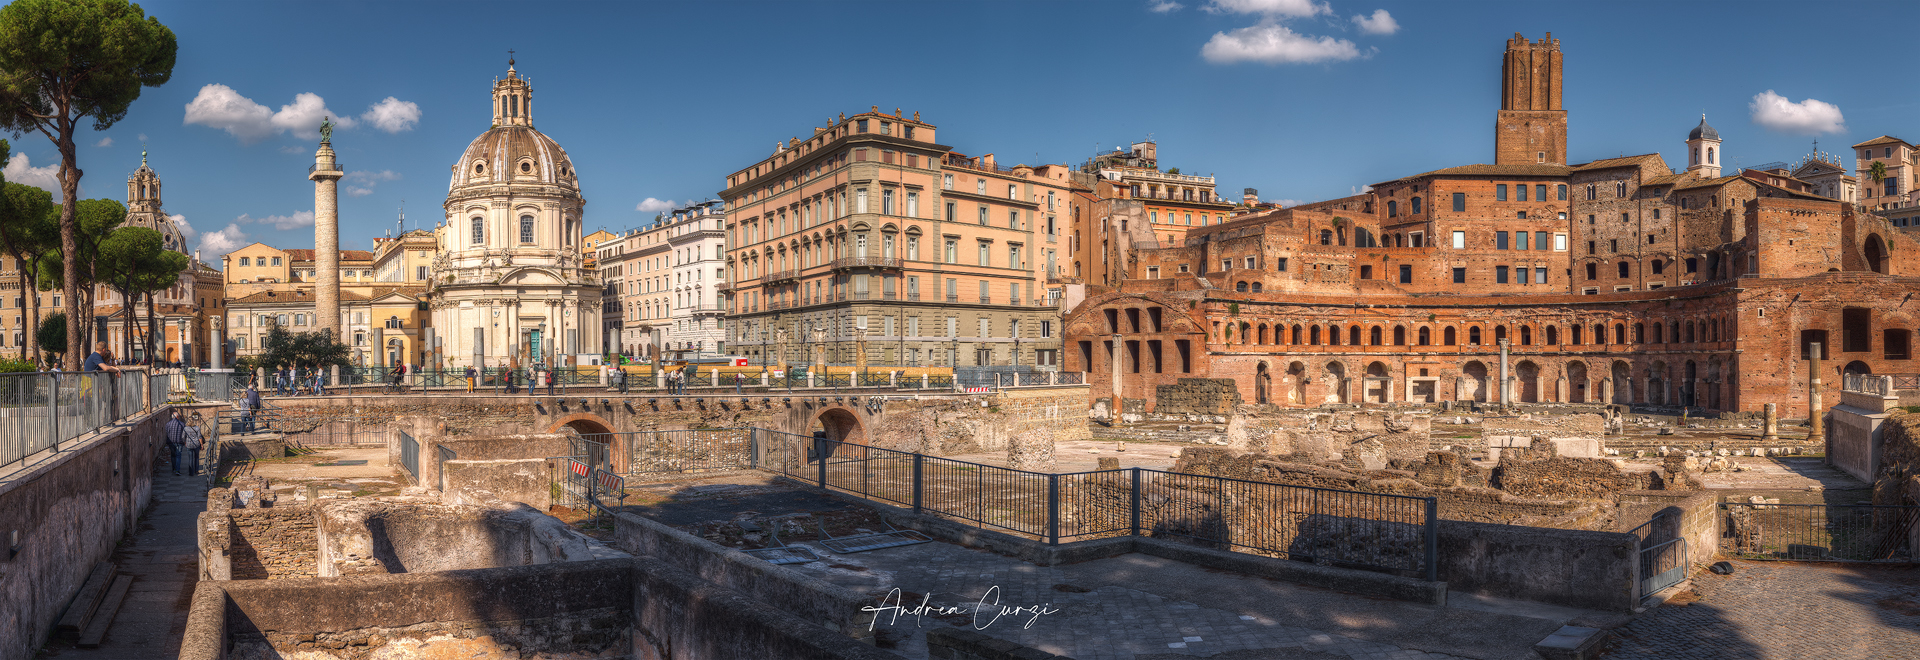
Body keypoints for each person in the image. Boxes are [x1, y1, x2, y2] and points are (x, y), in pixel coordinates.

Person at [164, 410, 187, 476]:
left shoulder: (168, 424)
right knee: (178, 456)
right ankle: (177, 470)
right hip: (179, 442)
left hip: (171, 442)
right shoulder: (182, 424)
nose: (179, 417)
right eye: (178, 416)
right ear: (177, 416)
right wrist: (184, 441)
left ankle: (174, 468)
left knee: (173, 455)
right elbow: (183, 435)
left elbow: (167, 433)